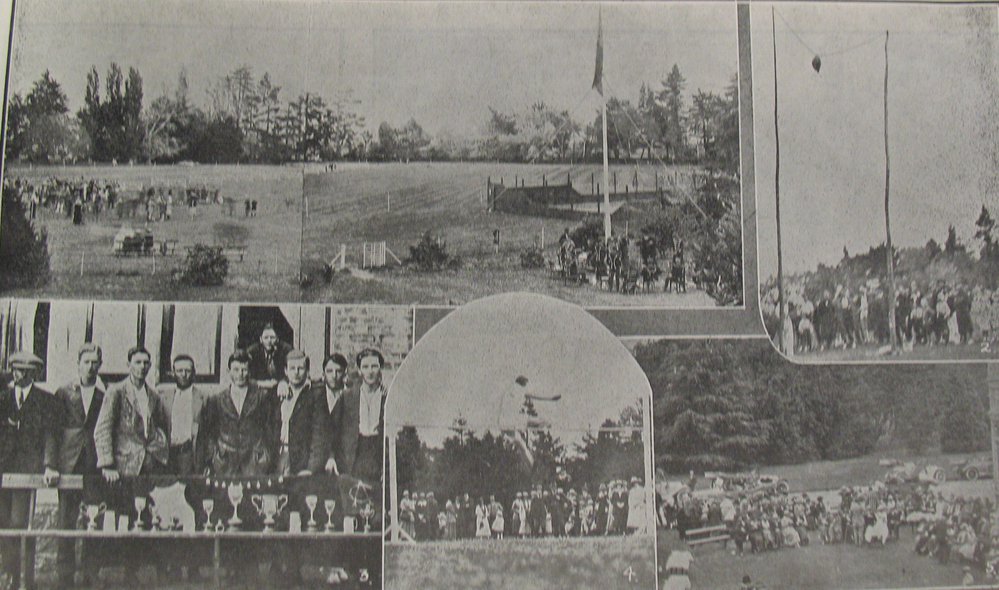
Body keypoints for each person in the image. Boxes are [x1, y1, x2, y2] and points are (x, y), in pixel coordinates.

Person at [0, 352, 61, 590]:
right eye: (16, 370)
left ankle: (24, 578)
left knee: (21, 523)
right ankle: (8, 574)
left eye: (25, 371)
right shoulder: (3, 398)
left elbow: (50, 436)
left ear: (34, 374)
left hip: (27, 471)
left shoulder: (45, 401)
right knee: (3, 523)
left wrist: (49, 465)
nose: (19, 374)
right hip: (2, 468)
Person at [55, 344, 105, 590]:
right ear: (78, 364)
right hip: (69, 463)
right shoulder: (64, 393)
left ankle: (90, 573)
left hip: (94, 464)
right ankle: (63, 575)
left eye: (95, 362)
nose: (91, 366)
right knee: (66, 518)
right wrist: (52, 465)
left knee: (95, 518)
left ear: (100, 365)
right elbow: (54, 431)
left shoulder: (104, 395)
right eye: (86, 362)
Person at [94, 346, 170, 482]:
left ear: (150, 366)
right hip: (124, 465)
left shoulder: (154, 396)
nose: (142, 367)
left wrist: (159, 447)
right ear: (128, 365)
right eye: (138, 362)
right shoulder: (116, 391)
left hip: (150, 462)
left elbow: (161, 426)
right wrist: (107, 465)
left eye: (146, 363)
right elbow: (103, 429)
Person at [197, 350, 277, 477]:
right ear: (228, 371)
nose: (240, 374)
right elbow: (208, 433)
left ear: (250, 371)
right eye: (236, 369)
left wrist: (266, 456)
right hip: (225, 463)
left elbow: (270, 429)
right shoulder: (216, 399)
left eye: (244, 369)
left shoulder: (262, 397)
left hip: (255, 463)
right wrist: (213, 457)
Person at [157, 355, 210, 477]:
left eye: (187, 370)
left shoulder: (204, 398)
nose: (184, 374)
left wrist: (207, 461)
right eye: (179, 371)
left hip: (190, 455)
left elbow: (209, 433)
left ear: (194, 372)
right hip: (168, 455)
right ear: (173, 373)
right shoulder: (163, 398)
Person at [308, 353, 348, 475]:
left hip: (344, 460)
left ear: (345, 373)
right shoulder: (313, 394)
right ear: (323, 374)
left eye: (338, 371)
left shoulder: (352, 395)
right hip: (316, 460)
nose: (334, 376)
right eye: (329, 371)